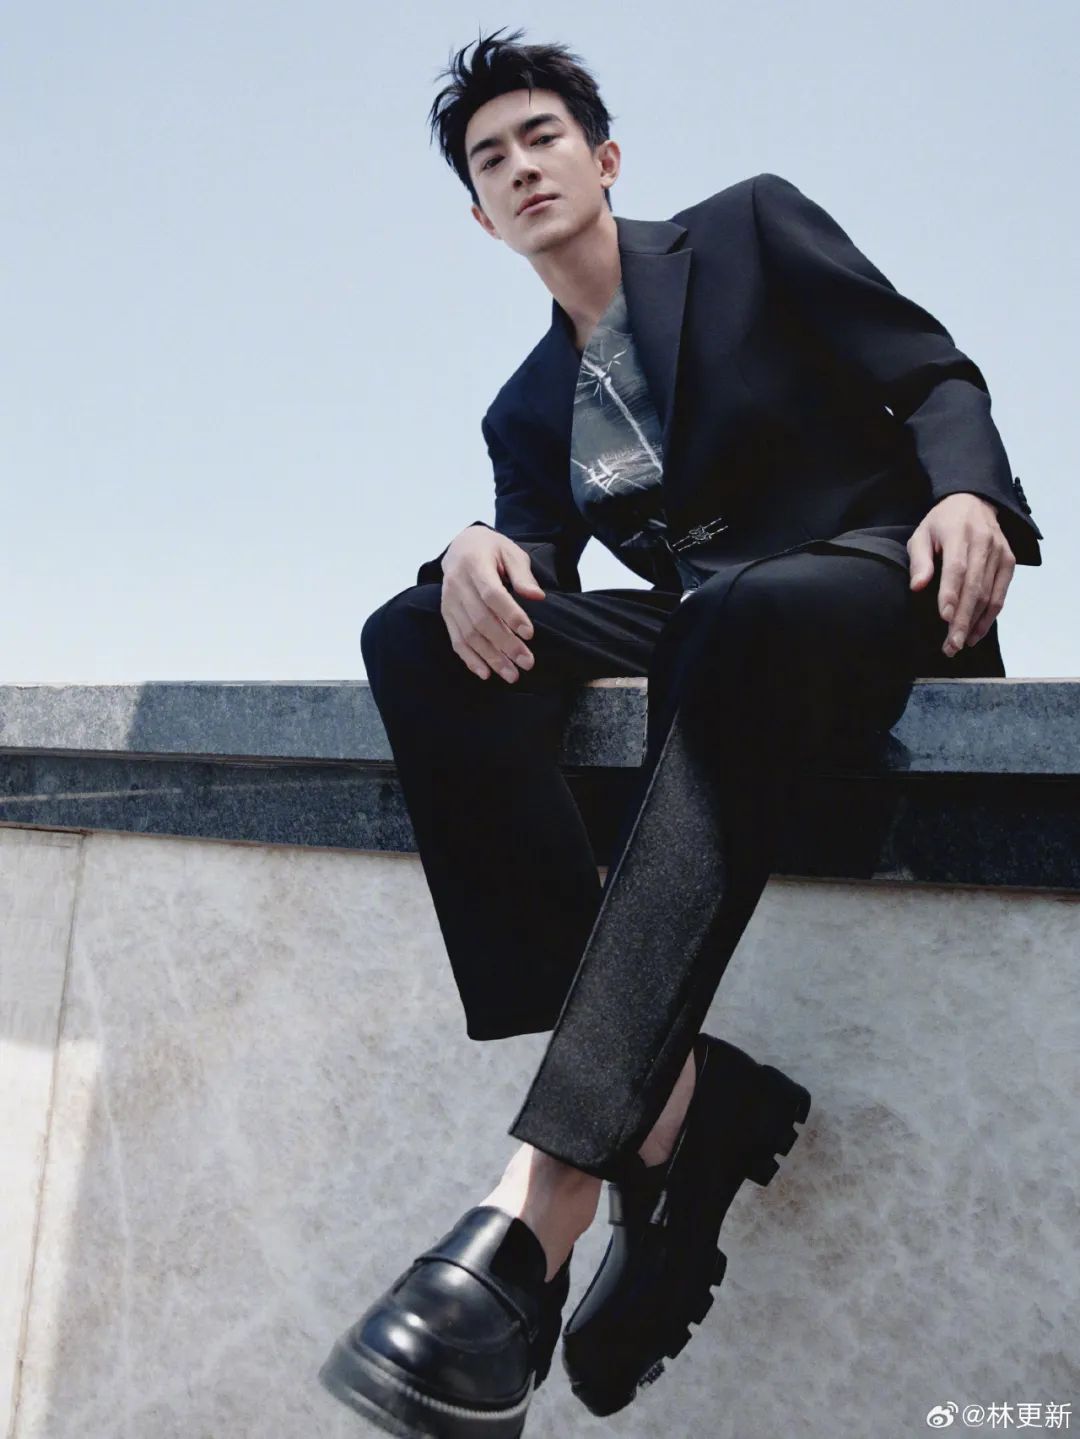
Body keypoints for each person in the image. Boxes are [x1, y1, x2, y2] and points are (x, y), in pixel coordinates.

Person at [319, 27, 1043, 1438]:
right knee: (417, 632)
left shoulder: (749, 231)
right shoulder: (527, 406)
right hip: (717, 635)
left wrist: (974, 500)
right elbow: (534, 576)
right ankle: (678, 1099)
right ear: (481, 219)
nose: (521, 166)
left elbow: (933, 373)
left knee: (742, 611)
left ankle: (556, 1189)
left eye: (542, 138)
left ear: (604, 159)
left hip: (874, 586)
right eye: (490, 160)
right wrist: (468, 553)